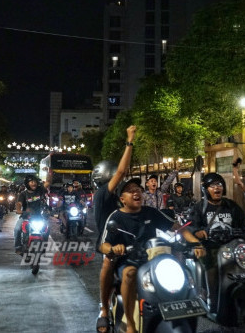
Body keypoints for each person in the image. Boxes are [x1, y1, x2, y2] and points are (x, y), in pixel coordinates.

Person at [99, 178, 205, 333]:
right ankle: (130, 324)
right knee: (129, 273)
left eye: (138, 189)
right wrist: (114, 248)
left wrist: (196, 243)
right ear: (122, 199)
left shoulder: (151, 212)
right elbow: (103, 245)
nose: (136, 192)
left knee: (182, 272)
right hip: (129, 259)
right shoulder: (116, 217)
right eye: (131, 190)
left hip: (154, 259)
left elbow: (178, 228)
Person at [94, 125, 136, 333]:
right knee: (107, 267)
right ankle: (103, 308)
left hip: (133, 244)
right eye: (117, 179)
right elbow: (121, 171)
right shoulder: (102, 195)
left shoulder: (126, 198)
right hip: (110, 246)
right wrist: (130, 141)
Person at [189, 172, 245, 313]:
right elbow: (191, 226)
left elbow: (243, 225)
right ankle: (213, 298)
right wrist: (198, 232)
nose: (217, 188)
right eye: (213, 185)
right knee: (212, 267)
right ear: (206, 190)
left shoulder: (231, 206)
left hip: (232, 246)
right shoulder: (199, 208)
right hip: (210, 246)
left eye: (220, 184)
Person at [14, 175, 49, 255]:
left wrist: (49, 172)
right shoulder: (23, 194)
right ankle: (18, 247)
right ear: (27, 183)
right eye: (31, 182)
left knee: (47, 228)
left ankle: (44, 246)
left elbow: (48, 182)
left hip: (38, 217)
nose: (34, 183)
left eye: (35, 181)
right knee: (17, 229)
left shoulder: (40, 190)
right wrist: (19, 210)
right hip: (26, 217)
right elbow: (19, 203)